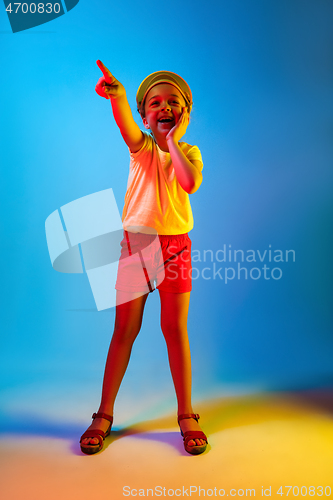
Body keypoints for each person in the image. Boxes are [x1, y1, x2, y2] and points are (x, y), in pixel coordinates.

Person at [79, 60, 208, 455]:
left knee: (174, 330)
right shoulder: (142, 148)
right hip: (137, 244)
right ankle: (104, 414)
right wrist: (117, 98)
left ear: (185, 110)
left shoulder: (188, 153)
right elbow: (126, 128)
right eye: (155, 103)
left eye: (173, 101)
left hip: (176, 248)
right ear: (144, 114)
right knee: (125, 331)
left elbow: (188, 183)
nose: (164, 107)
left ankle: (186, 414)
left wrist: (173, 142)